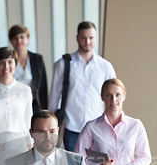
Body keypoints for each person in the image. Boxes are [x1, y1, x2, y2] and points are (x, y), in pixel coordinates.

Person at [48, 21, 116, 152]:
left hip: (98, 129)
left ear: (96, 38)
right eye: (84, 38)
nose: (87, 42)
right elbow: (54, 97)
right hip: (71, 128)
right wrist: (50, 127)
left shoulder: (105, 67)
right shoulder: (63, 65)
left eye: (91, 38)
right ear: (77, 38)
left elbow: (113, 96)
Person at [9, 24, 48, 113]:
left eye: (22, 37)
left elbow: (43, 87)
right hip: (13, 105)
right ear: (11, 41)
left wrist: (45, 110)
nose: (19, 40)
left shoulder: (37, 59)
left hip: (33, 104)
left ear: (28, 39)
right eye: (15, 38)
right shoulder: (7, 60)